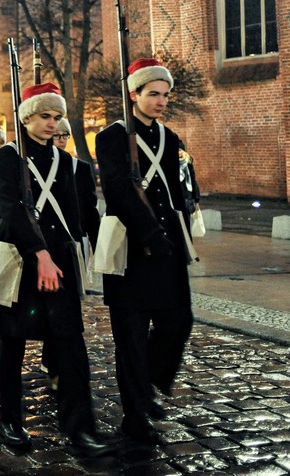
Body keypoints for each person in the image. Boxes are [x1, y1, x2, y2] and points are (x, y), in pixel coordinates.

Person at [0, 83, 114, 457]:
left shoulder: (67, 162)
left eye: (56, 117)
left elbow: (80, 215)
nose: (52, 124)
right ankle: (10, 420)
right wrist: (40, 255)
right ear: (26, 118)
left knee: (71, 347)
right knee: (12, 345)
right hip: (22, 261)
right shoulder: (6, 157)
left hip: (60, 262)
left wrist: (101, 252)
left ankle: (81, 428)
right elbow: (10, 208)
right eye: (44, 117)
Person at [95, 58, 193, 444]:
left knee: (178, 322)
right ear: (134, 94)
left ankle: (149, 382)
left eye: (165, 95)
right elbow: (118, 189)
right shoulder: (113, 137)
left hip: (167, 245)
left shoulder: (169, 138)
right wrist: (149, 233)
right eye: (153, 94)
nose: (161, 101)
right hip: (132, 250)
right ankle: (135, 415)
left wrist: (180, 234)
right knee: (131, 338)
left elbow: (172, 192)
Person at [41, 118, 101, 389]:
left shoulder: (79, 168)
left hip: (72, 245)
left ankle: (56, 360)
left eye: (66, 135)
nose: (62, 139)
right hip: (45, 246)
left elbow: (89, 209)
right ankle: (53, 360)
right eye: (58, 135)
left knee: (68, 307)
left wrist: (97, 243)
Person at [178, 141, 200, 217]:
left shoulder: (188, 163)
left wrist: (196, 197)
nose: (179, 152)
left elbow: (192, 179)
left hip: (188, 197)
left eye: (180, 150)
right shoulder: (172, 164)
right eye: (177, 150)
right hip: (178, 198)